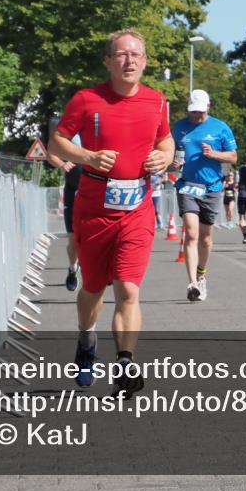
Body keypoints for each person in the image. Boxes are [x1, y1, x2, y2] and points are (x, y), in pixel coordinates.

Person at [49, 29, 174, 398]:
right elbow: (58, 139)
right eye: (121, 55)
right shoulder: (87, 99)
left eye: (136, 55)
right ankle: (87, 339)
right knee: (92, 287)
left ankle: (124, 363)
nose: (129, 60)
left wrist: (164, 156)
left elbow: (165, 139)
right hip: (94, 209)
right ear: (108, 61)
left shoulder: (157, 102)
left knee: (128, 289)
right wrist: (87, 156)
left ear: (145, 61)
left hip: (137, 208)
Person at [171, 89, 238, 301]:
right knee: (191, 233)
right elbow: (169, 153)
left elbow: (233, 156)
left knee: (206, 239)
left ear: (208, 106)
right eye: (193, 112)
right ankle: (192, 284)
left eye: (200, 112)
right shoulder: (179, 127)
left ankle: (201, 273)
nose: (196, 116)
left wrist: (214, 154)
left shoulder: (220, 128)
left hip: (212, 188)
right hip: (187, 186)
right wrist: (172, 163)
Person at [49, 134, 83, 291]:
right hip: (73, 190)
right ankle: (72, 268)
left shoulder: (101, 127)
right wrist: (62, 164)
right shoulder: (71, 134)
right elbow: (51, 153)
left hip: (95, 190)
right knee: (74, 240)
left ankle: (99, 269)